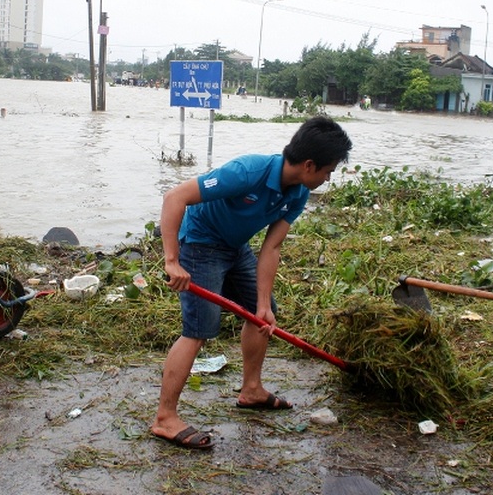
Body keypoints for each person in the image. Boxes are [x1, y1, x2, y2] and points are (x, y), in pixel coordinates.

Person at [150, 116, 352, 450]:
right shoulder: (247, 172)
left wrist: (260, 303)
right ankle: (165, 418)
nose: (328, 178)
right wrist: (172, 260)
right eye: (328, 171)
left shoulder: (299, 193)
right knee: (199, 330)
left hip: (234, 248)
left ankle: (251, 389)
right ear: (309, 164)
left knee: (262, 316)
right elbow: (175, 197)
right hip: (201, 245)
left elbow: (271, 247)